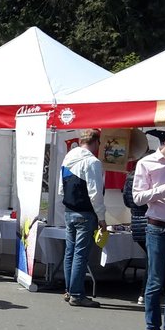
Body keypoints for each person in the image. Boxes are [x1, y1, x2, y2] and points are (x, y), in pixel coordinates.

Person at [59, 129, 106, 308]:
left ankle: (70, 290)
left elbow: (61, 186)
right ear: (95, 142)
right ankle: (77, 294)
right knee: (80, 254)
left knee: (70, 252)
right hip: (85, 212)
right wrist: (101, 217)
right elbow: (95, 192)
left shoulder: (69, 157)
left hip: (69, 210)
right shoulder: (92, 161)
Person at [132, 135, 165, 330]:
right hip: (157, 225)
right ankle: (153, 329)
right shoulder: (146, 163)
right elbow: (137, 198)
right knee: (156, 280)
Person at [123, 160, 148, 305]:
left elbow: (127, 201)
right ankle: (144, 293)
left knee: (152, 259)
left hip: (136, 222)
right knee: (153, 261)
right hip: (150, 220)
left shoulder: (130, 178)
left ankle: (145, 293)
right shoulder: (150, 177)